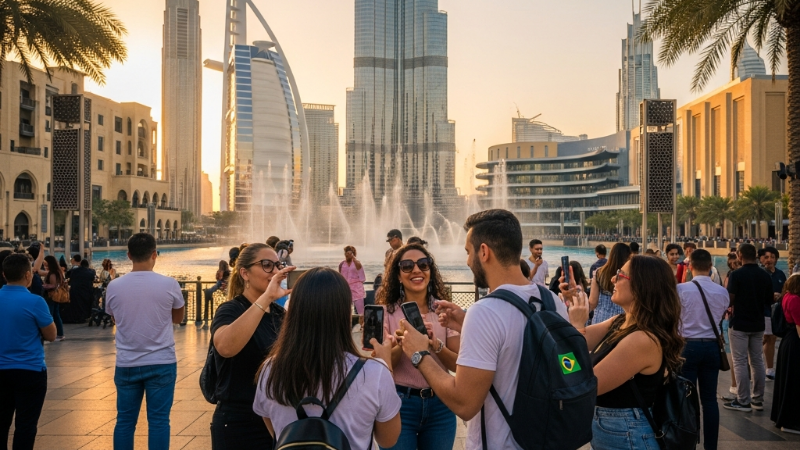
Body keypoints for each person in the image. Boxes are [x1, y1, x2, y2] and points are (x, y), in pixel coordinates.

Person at [397, 209, 568, 449]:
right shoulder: (553, 301)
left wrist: (419, 353)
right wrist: (466, 321)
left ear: (484, 252)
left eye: (468, 252)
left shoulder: (485, 311)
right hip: (546, 438)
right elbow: (516, 342)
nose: (468, 261)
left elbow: (464, 404)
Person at [253, 268, 401, 448]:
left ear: (294, 312)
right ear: (345, 314)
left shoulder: (270, 369)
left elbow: (277, 432)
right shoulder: (374, 373)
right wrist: (386, 364)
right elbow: (388, 439)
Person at [560, 255, 684, 450]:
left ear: (641, 285)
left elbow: (582, 385)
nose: (612, 279)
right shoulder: (620, 322)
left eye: (620, 275)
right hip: (615, 432)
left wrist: (577, 325)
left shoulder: (643, 339)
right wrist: (574, 300)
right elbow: (567, 343)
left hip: (628, 437)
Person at [105, 233, 185, 449]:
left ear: (129, 255)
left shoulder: (114, 286)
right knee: (159, 421)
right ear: (154, 254)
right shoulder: (169, 284)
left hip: (127, 362)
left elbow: (114, 317)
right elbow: (178, 318)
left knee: (124, 421)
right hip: (161, 361)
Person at [379, 243, 460, 450]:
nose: (416, 270)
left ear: (430, 271)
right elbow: (382, 366)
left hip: (441, 403)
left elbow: (458, 364)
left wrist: (434, 345)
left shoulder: (443, 310)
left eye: (423, 264)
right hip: (399, 403)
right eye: (407, 266)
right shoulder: (386, 313)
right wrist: (403, 342)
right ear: (398, 275)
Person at [210, 243, 290, 449]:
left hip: (275, 419)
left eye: (278, 265)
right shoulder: (230, 310)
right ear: (244, 273)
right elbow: (225, 347)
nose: (275, 271)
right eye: (267, 265)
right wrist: (267, 297)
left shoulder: (279, 315)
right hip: (239, 423)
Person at [0, 253, 56, 450]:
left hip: (1, 370)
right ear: (27, 275)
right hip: (30, 370)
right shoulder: (35, 302)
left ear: (5, 275)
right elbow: (51, 335)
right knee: (26, 425)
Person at [677, 249, 729, 450]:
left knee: (687, 399)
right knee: (709, 400)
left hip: (687, 346)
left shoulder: (680, 289)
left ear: (690, 267)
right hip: (712, 347)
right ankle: (711, 446)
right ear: (710, 266)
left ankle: (688, 443)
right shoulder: (722, 292)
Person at [724, 243, 773, 412]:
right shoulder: (764, 275)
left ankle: (743, 400)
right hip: (758, 322)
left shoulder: (736, 274)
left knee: (740, 361)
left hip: (739, 323)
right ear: (756, 256)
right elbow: (769, 300)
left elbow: (730, 299)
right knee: (757, 360)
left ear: (740, 255)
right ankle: (758, 399)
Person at [771, 274, 800, 434]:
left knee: (787, 380)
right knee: (793, 382)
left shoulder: (787, 296)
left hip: (788, 342)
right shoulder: (795, 300)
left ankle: (782, 417)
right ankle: (791, 421)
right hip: (795, 343)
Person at [589, 243, 632, 324]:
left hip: (600, 319)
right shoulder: (628, 274)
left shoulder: (599, 272)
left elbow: (593, 302)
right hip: (621, 319)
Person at [760, 246, 786, 381]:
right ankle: (756, 366)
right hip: (762, 311)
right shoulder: (759, 274)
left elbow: (786, 290)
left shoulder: (780, 274)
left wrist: (781, 296)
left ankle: (769, 369)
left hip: (776, 312)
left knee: (772, 338)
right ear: (761, 259)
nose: (769, 260)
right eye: (766, 257)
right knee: (763, 338)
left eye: (772, 257)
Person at [720, 252, 741, 401]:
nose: (733, 264)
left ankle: (736, 387)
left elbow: (728, 298)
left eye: (736, 262)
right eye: (731, 262)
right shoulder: (730, 274)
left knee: (736, 356)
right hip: (731, 317)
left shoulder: (734, 276)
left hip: (733, 317)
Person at [62, 258, 96, 323]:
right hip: (85, 291)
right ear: (87, 265)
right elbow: (92, 279)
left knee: (76, 305)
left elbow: (67, 275)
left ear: (80, 264)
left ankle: (76, 318)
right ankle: (83, 317)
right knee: (84, 304)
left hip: (75, 290)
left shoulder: (74, 271)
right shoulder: (90, 272)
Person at [41, 255, 66, 342]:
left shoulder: (52, 273)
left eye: (46, 263)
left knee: (51, 315)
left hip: (51, 296)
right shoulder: (58, 272)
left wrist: (44, 286)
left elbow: (53, 285)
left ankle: (55, 334)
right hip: (56, 296)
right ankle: (60, 334)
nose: (45, 265)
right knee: (56, 314)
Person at [339, 246, 366, 316]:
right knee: (345, 311)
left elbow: (362, 278)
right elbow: (340, 277)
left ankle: (362, 322)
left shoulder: (357, 263)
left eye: (349, 253)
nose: (347, 255)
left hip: (357, 289)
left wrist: (353, 258)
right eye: (346, 253)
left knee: (361, 311)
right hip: (346, 289)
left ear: (353, 254)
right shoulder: (342, 264)